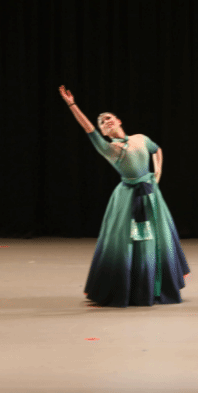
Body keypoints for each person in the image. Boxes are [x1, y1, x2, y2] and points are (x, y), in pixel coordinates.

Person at [59, 85, 189, 307]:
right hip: (129, 198)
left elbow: (156, 149)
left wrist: (157, 172)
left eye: (109, 118)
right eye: (102, 122)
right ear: (103, 132)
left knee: (155, 239)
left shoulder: (140, 138)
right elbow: (88, 128)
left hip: (150, 193)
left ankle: (154, 285)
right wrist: (72, 104)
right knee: (130, 241)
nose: (106, 121)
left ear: (118, 120)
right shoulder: (109, 148)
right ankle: (131, 288)